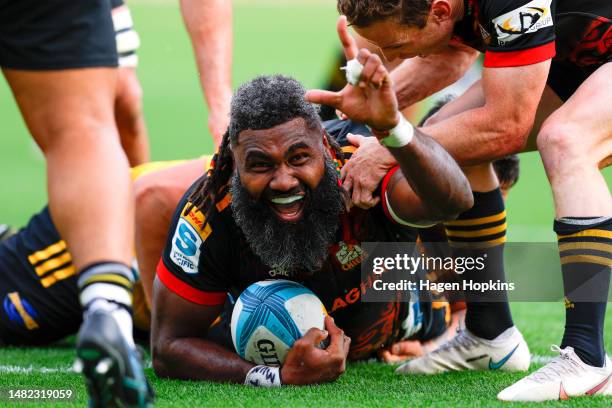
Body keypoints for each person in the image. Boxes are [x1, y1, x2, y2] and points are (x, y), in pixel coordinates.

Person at [308, 0, 612, 401]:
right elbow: (450, 56)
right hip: (588, 50)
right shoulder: (450, 10)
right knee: (443, 144)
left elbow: (505, 126)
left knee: (566, 140)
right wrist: (357, 116)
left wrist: (391, 144)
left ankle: (587, 356)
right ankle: (490, 335)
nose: (396, 59)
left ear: (438, 11)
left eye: (398, 45)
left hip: (593, 49)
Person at [150, 71, 476, 386]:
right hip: (253, 337)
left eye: (299, 158)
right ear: (234, 162)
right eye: (261, 164)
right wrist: (274, 377)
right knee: (149, 199)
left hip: (410, 320)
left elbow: (452, 202)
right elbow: (168, 347)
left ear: (322, 145)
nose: (283, 181)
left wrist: (395, 131)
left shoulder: (361, 165)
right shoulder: (209, 212)